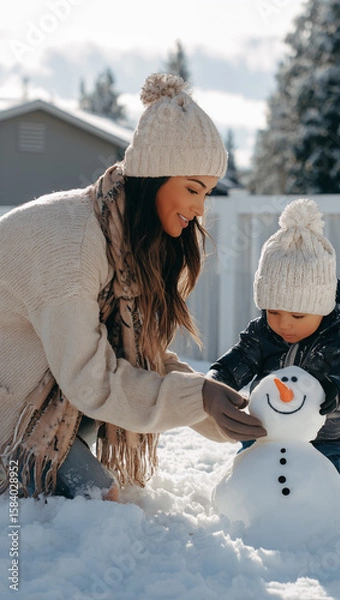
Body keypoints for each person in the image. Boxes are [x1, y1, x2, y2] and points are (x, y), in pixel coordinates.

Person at [0, 73, 266, 501]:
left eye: (208, 192)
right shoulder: (72, 244)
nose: (200, 208)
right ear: (153, 177)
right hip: (15, 413)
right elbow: (92, 381)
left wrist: (222, 413)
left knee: (106, 497)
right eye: (192, 188)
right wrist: (199, 396)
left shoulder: (119, 235)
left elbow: (137, 357)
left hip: (48, 395)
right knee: (105, 502)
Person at [208, 199, 340, 476]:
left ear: (322, 308)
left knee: (317, 486)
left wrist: (335, 390)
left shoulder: (337, 339)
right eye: (273, 311)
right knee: (253, 477)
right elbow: (240, 359)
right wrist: (217, 380)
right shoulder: (262, 333)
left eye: (298, 316)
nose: (283, 324)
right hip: (264, 433)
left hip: (321, 438)